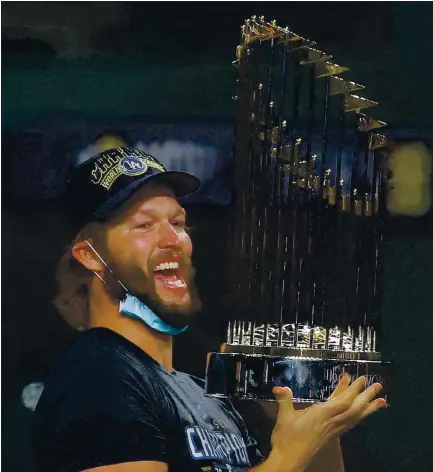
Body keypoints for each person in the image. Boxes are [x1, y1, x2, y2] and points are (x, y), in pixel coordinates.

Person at [34, 147, 386, 472]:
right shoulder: (97, 379)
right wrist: (289, 453)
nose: (174, 240)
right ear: (90, 256)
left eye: (177, 222)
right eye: (144, 225)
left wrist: (315, 426)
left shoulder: (197, 390)